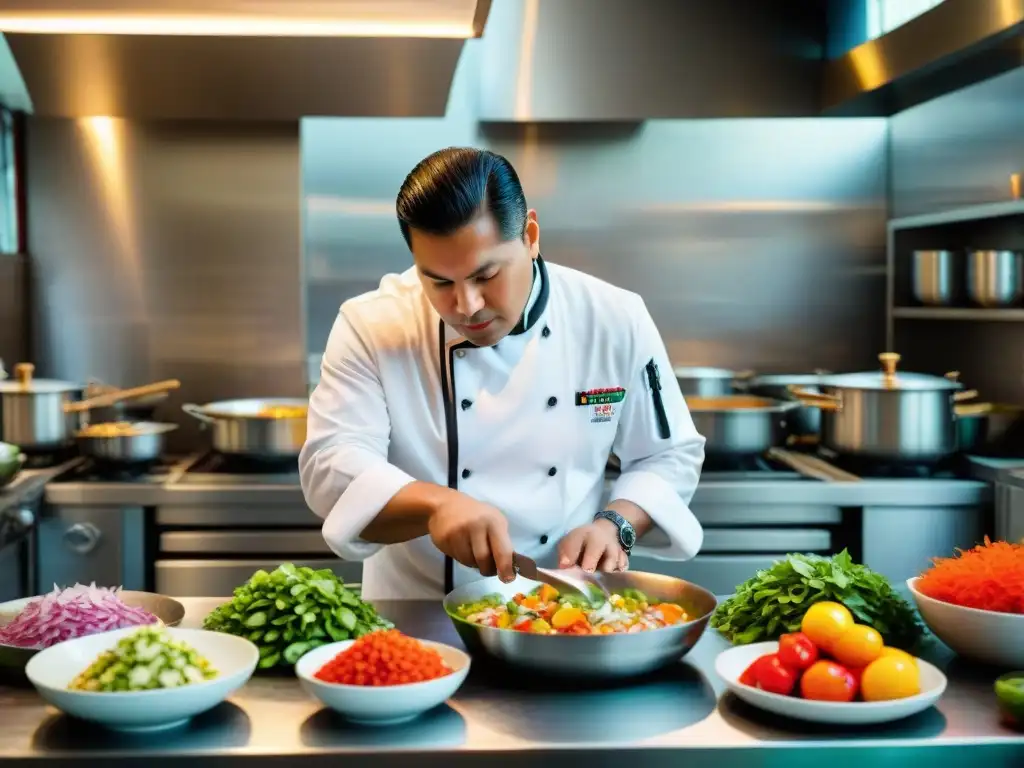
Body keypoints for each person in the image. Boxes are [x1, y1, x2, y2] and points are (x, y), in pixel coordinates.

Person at [299, 147, 706, 600]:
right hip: (413, 617)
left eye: (486, 274)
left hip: (564, 608)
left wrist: (617, 525)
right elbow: (332, 465)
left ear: (531, 235)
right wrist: (434, 506)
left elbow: (667, 455)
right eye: (439, 282)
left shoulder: (613, 317)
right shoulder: (371, 325)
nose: (466, 305)